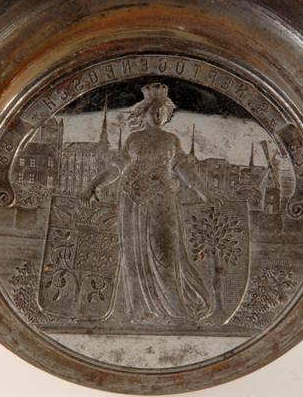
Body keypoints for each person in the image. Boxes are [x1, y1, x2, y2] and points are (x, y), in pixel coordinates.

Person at [83, 83, 213, 324]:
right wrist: (93, 184)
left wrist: (205, 194)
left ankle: (177, 311)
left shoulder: (171, 140)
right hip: (132, 202)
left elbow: (185, 169)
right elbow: (117, 168)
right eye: (154, 110)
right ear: (143, 112)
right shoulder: (133, 139)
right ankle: (142, 312)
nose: (158, 115)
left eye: (162, 111)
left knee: (166, 253)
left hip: (162, 200)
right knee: (134, 256)